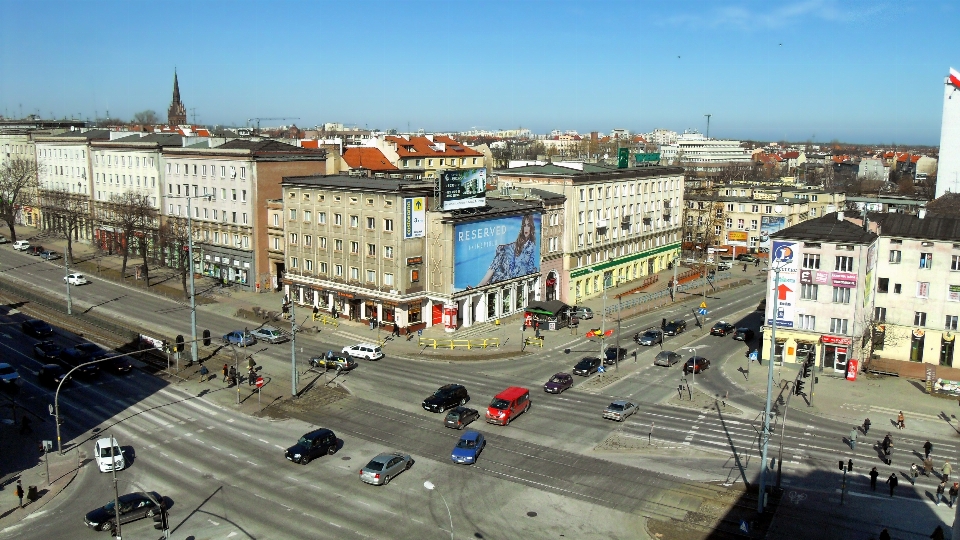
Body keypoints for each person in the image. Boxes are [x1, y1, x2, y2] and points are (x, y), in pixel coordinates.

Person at [476, 214, 538, 287]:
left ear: (531, 228)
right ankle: (483, 283)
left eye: (528, 225)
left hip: (517, 276)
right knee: (501, 252)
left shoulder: (531, 246)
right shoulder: (521, 241)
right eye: (524, 225)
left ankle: (483, 283)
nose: (526, 228)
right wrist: (503, 247)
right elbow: (512, 247)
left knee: (501, 254)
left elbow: (529, 267)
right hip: (511, 273)